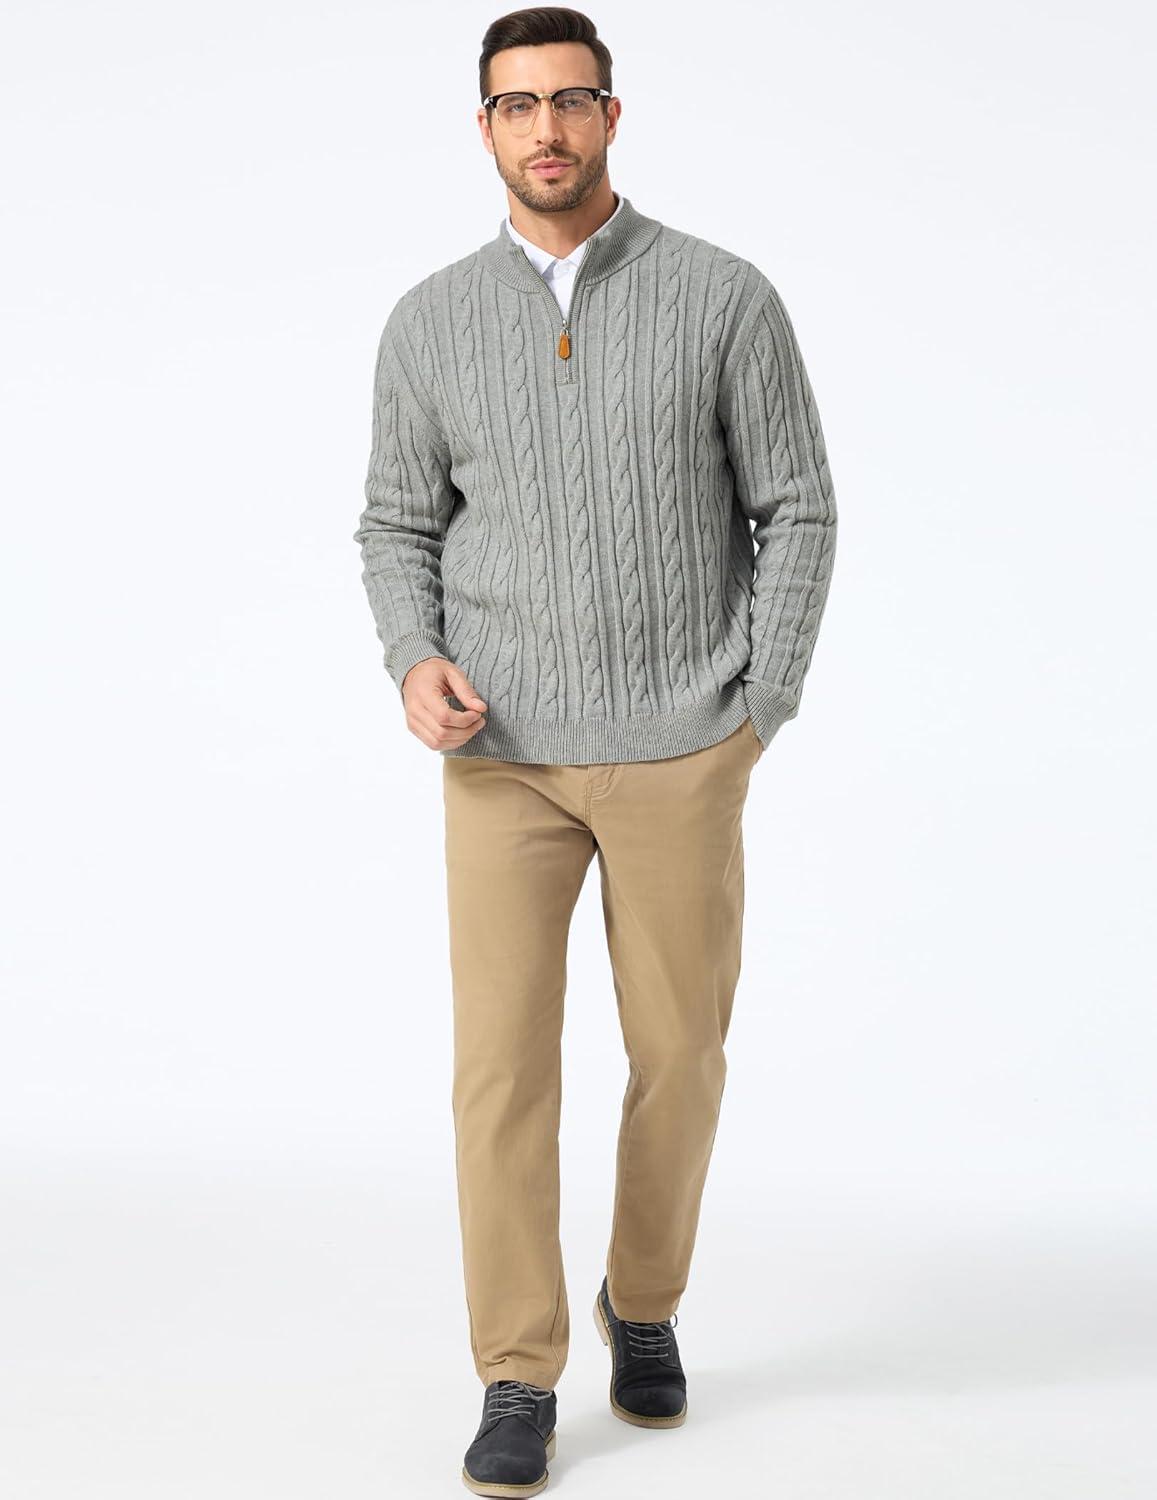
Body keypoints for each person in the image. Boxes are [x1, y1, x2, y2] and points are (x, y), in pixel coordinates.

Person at [353, 9, 838, 1495]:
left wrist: (758, 706)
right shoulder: (430, 321)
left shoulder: (723, 296)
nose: (546, 129)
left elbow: (798, 507)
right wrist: (414, 656)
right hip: (500, 755)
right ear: (485, 129)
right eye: (518, 106)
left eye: (571, 101)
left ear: (613, 117)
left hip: (684, 744)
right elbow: (396, 525)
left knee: (678, 1053)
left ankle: (645, 1299)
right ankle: (516, 1369)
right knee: (499, 1072)